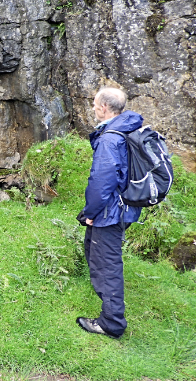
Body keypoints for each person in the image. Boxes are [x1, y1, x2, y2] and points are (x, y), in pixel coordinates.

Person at [76, 87, 143, 339]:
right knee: (98, 255)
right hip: (124, 206)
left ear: (103, 107)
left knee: (107, 264)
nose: (93, 108)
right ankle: (110, 312)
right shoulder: (128, 127)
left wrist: (91, 213)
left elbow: (101, 182)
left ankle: (111, 323)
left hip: (110, 212)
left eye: (94, 104)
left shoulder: (109, 139)